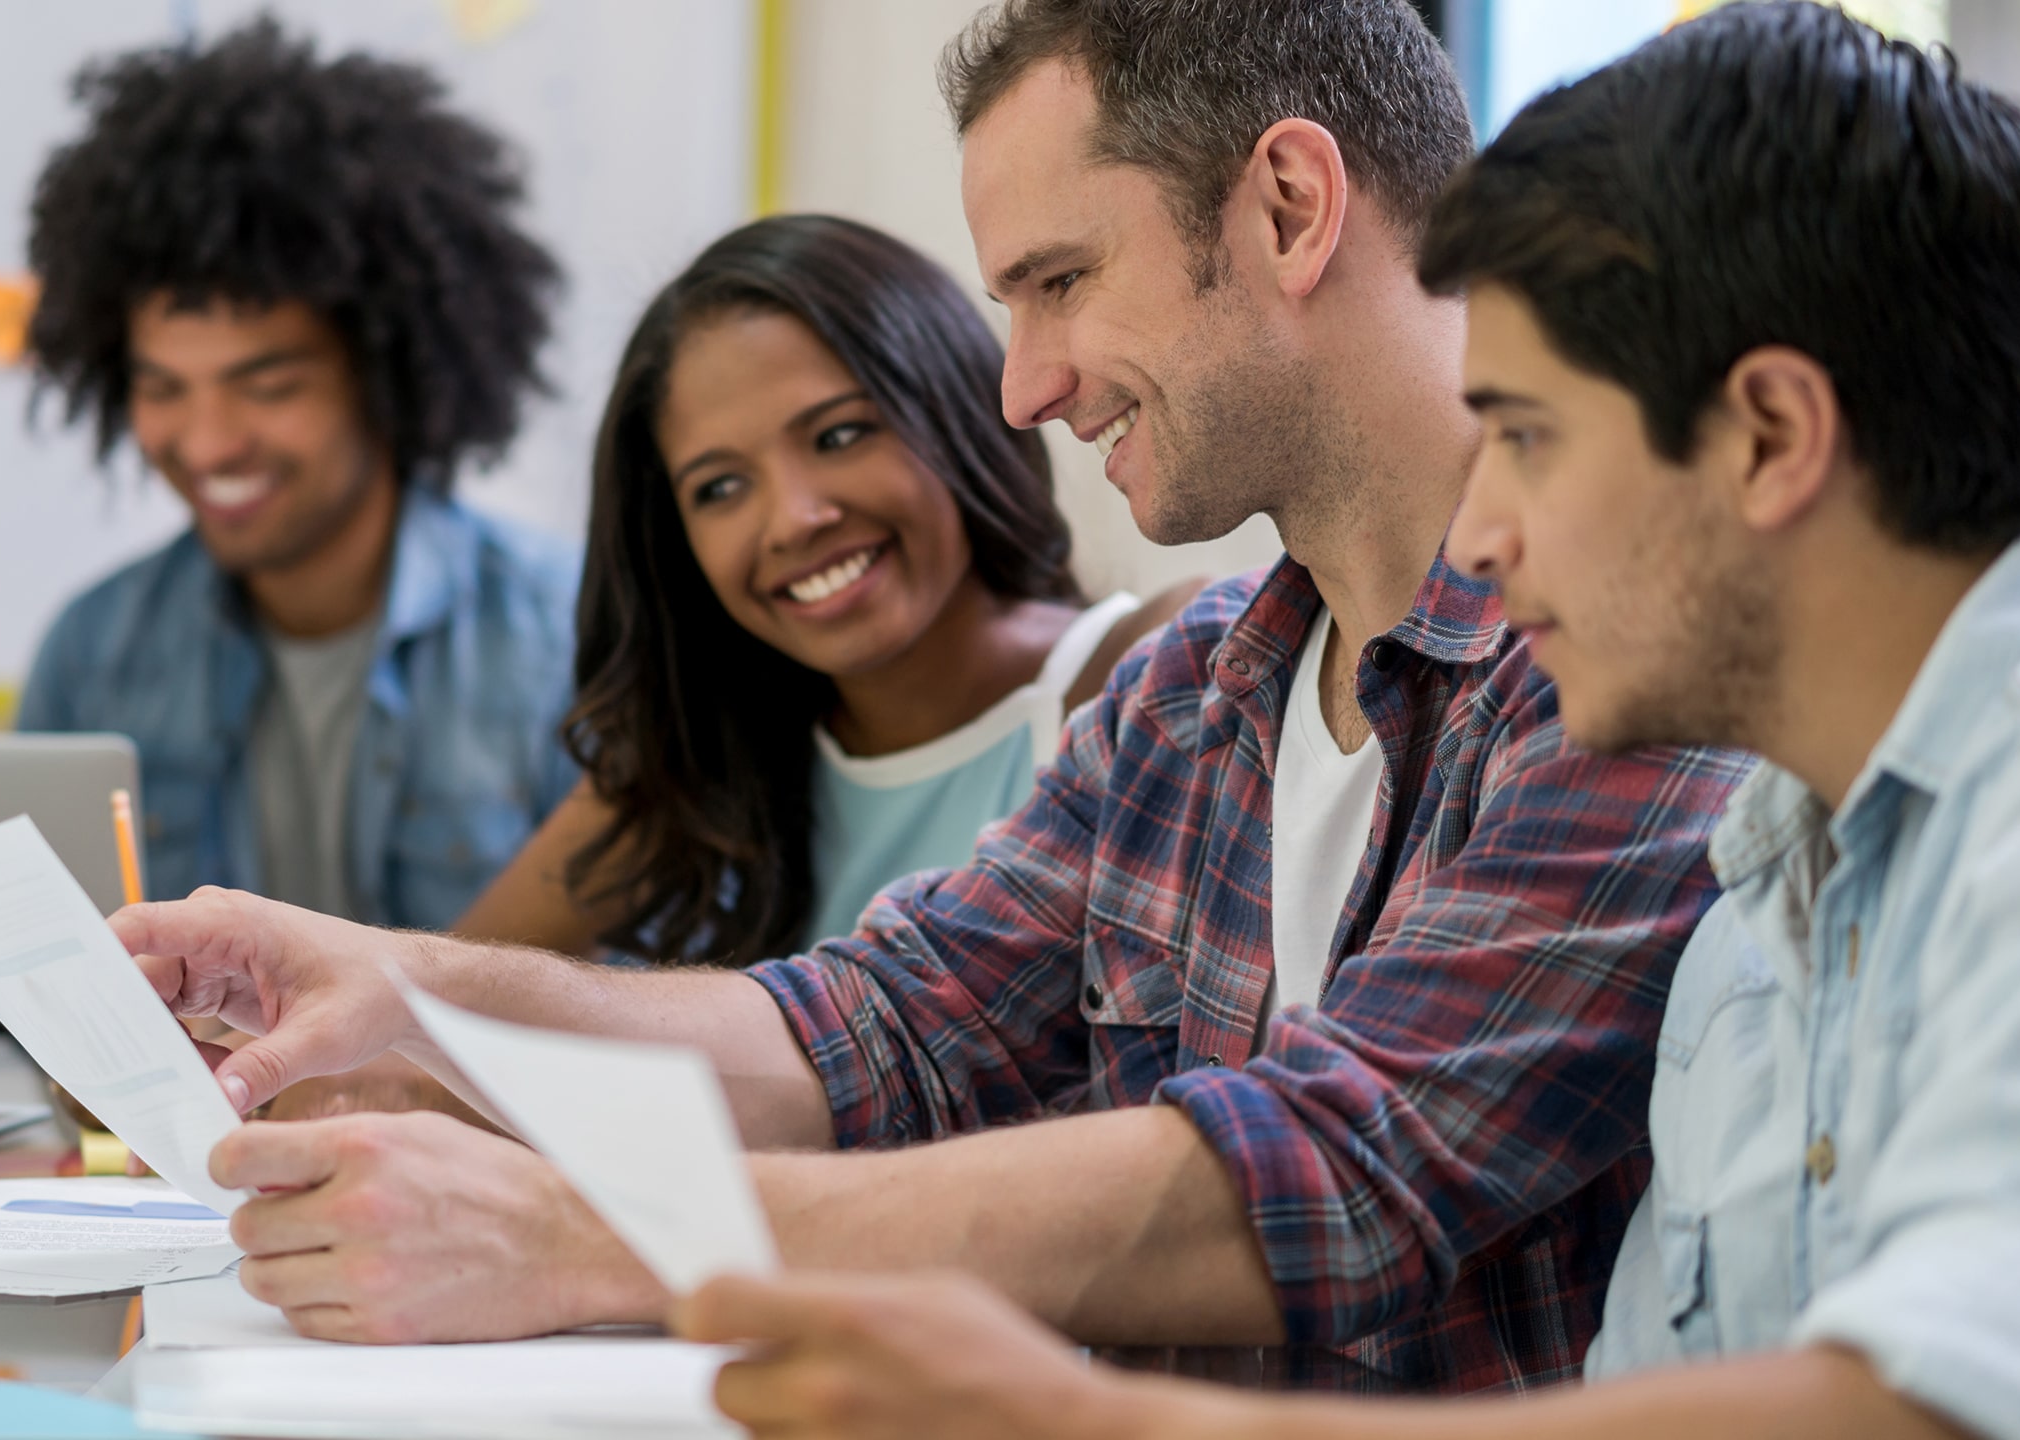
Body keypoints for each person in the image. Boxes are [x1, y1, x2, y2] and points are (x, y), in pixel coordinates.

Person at [114, 0, 1749, 1390]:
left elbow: (1339, 1173)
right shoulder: (1194, 698)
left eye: (1059, 282)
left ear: (1291, 207)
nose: (1026, 384)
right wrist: (402, 987)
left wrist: (588, 1235)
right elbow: (874, 1028)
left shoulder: (1625, 664)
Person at [669, 6, 2020, 1437]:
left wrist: (1084, 1418)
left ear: (1770, 436)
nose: (1481, 533)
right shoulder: (1781, 862)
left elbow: (1945, 1402)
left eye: (1533, 440)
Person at [456, 213, 1189, 967]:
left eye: (839, 437)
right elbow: (417, 1019)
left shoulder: (1148, 675)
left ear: (955, 413)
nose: (793, 521)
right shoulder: (700, 768)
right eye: (721, 488)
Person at [15, 20, 581, 928]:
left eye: (267, 385)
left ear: (388, 370)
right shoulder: (92, 659)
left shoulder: (571, 643)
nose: (207, 444)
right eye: (163, 388)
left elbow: (642, 1009)